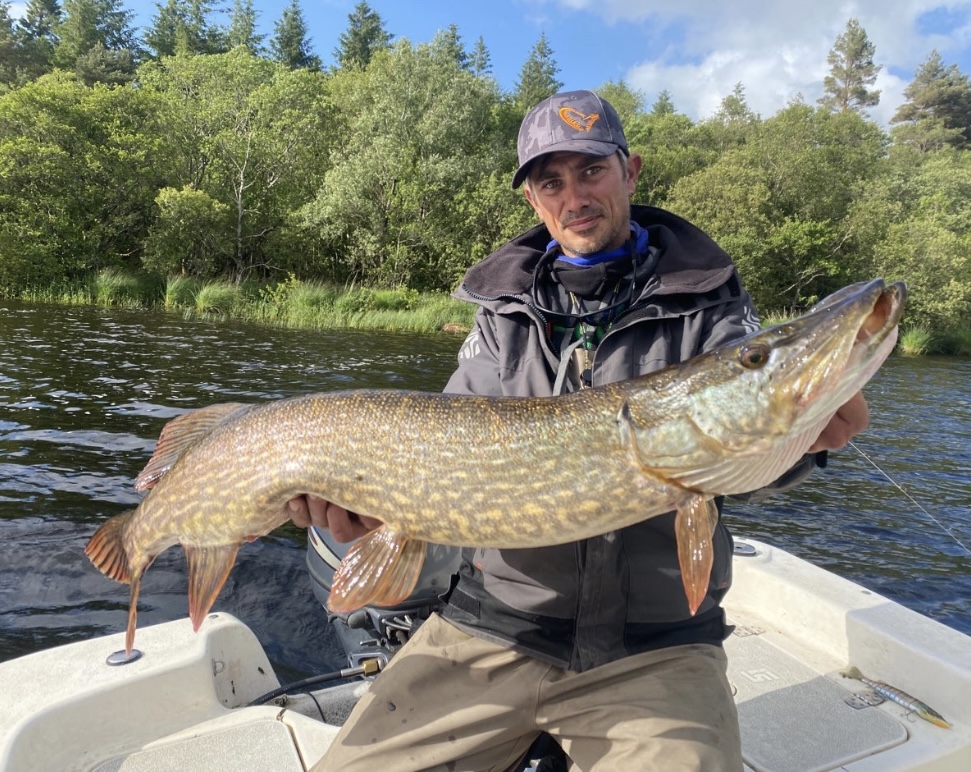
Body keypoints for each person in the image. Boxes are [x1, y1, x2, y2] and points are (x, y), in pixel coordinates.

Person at [288, 89, 869, 771]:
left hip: (653, 646)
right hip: (491, 629)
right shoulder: (501, 317)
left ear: (630, 171)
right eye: (550, 181)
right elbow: (441, 454)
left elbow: (731, 457)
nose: (574, 195)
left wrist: (806, 442)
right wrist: (366, 515)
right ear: (533, 199)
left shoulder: (708, 306)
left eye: (590, 170)